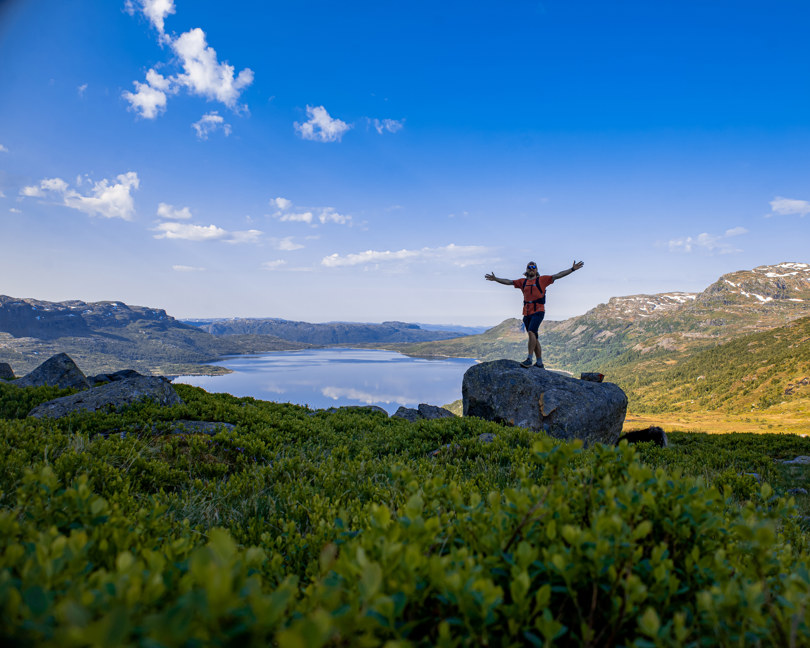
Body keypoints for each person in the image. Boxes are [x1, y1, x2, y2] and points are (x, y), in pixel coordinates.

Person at [485, 260, 584, 368]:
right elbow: (509, 282)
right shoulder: (522, 282)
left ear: (536, 270)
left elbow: (558, 275)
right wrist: (496, 279)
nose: (531, 268)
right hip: (527, 313)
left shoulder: (542, 280)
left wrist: (572, 269)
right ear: (526, 270)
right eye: (529, 267)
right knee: (534, 337)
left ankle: (529, 359)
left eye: (534, 267)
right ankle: (540, 362)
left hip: (539, 311)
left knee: (531, 332)